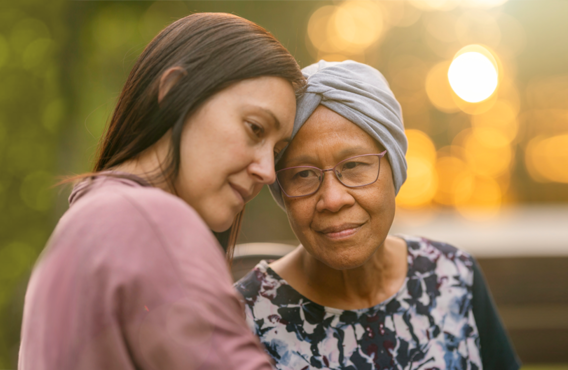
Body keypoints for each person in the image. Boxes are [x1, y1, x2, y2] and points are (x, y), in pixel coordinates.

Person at [19, 13, 305, 370]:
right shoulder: (152, 222)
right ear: (173, 91)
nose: (267, 171)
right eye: (255, 128)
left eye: (277, 151)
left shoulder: (87, 221)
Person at [235, 60, 521, 370]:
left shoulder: (453, 277)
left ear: (394, 167)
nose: (332, 199)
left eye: (355, 166)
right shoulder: (241, 319)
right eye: (304, 174)